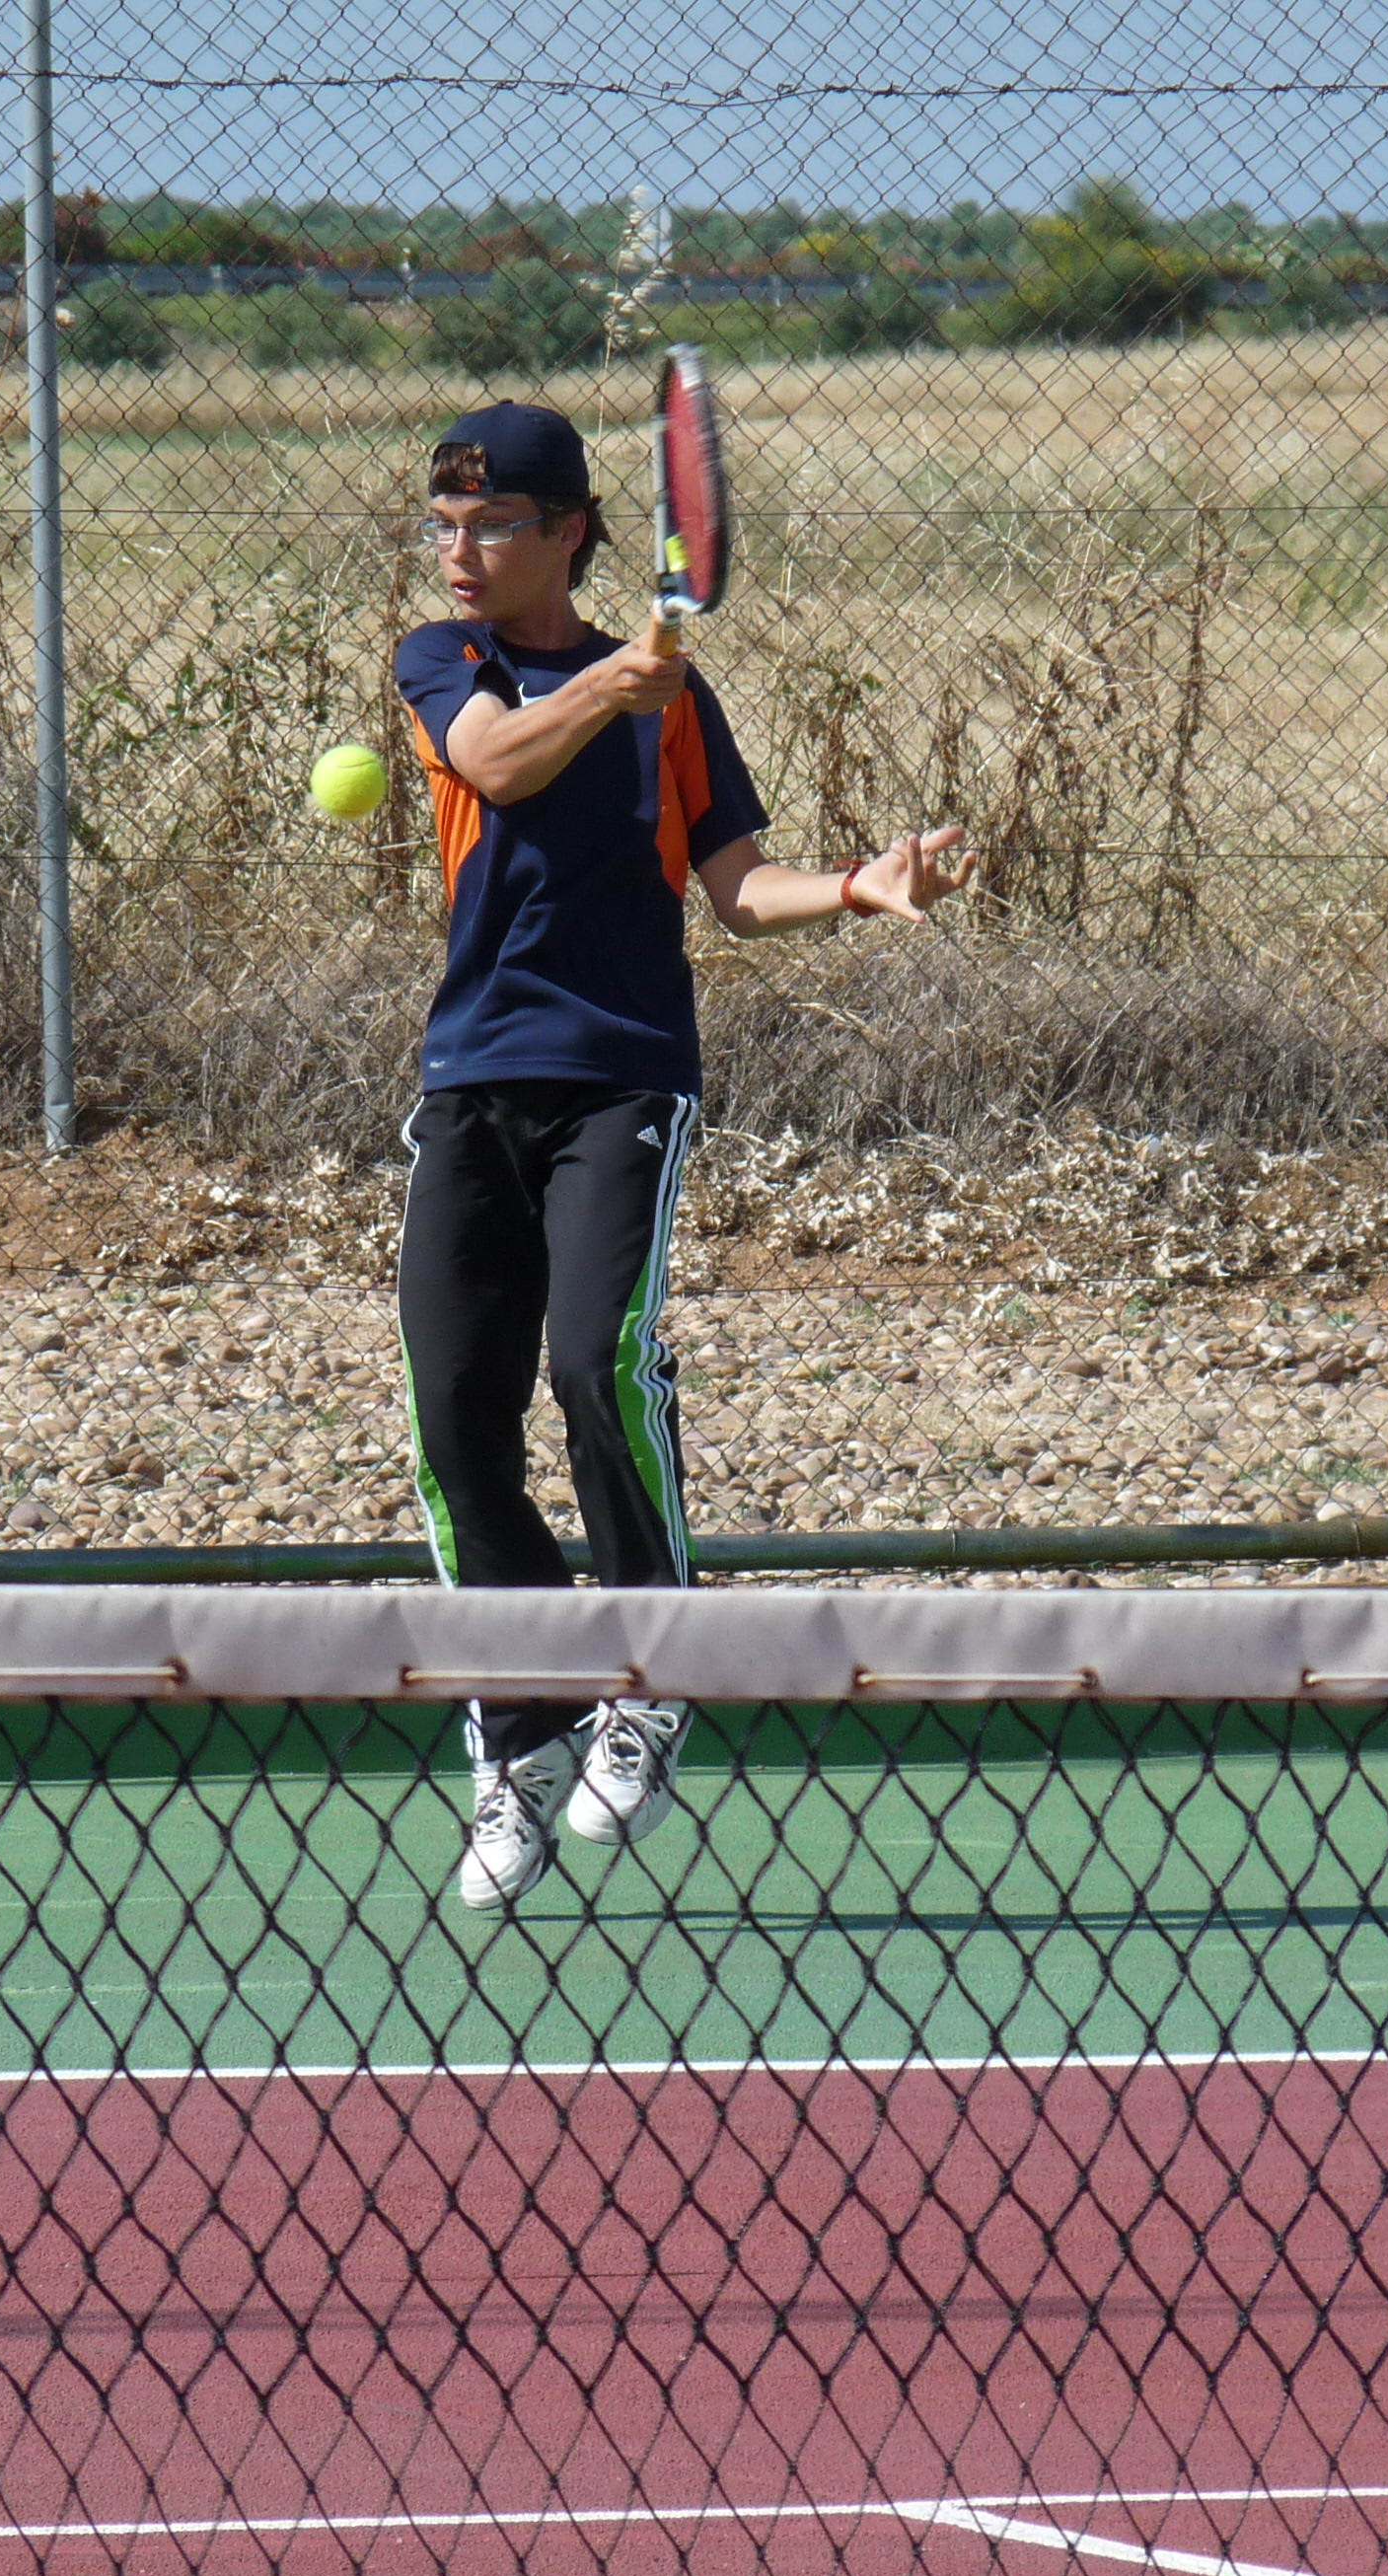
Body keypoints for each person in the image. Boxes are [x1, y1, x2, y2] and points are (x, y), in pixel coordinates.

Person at [391, 400, 972, 1913]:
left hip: (623, 1081)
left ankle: (651, 1675)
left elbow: (735, 887)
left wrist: (855, 887)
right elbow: (498, 766)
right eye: (444, 524)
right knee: (453, 1420)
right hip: (471, 1082)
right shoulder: (443, 661)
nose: (461, 551)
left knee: (598, 1360)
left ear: (571, 533)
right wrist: (616, 684)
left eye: (493, 525)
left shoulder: (672, 702)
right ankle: (521, 1729)